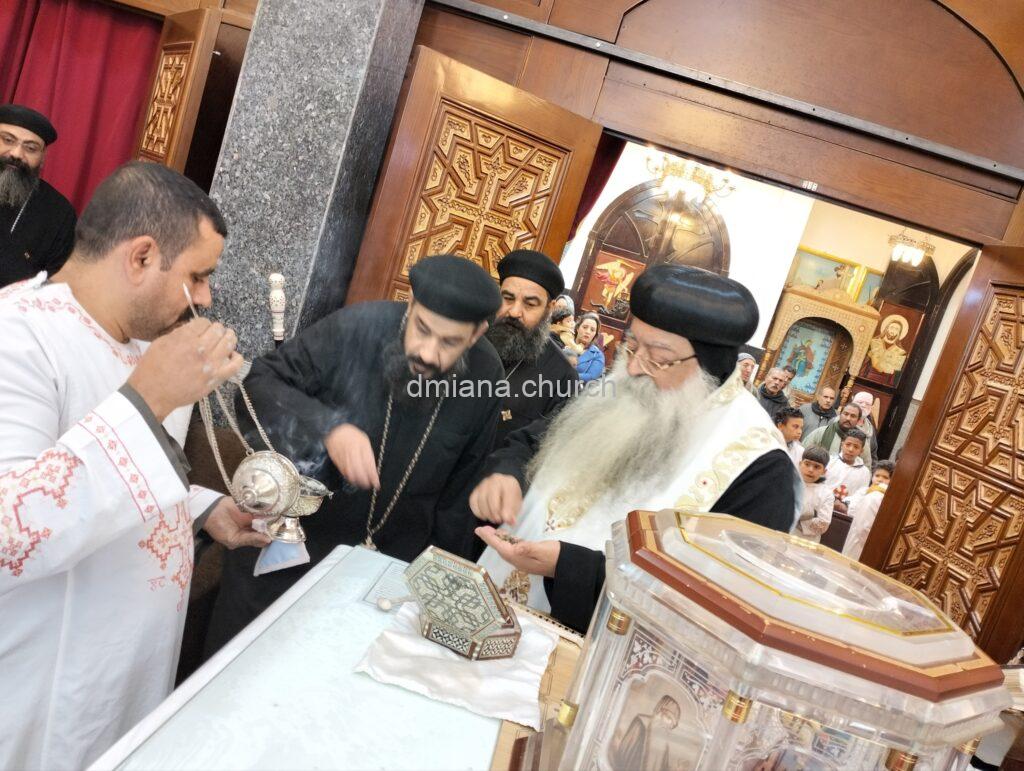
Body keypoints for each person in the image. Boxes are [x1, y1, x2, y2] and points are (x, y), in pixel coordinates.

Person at [0, 162, 269, 771]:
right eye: (198, 276)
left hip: (127, 664)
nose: (206, 298)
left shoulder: (147, 344)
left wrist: (204, 510)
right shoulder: (20, 337)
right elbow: (12, 529)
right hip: (48, 680)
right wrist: (148, 399)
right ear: (142, 256)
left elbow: (127, 472)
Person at [205, 254, 505, 656]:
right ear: (411, 305)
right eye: (422, 329)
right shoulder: (358, 326)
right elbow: (260, 385)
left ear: (476, 334)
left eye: (449, 342)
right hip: (291, 557)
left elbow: (459, 498)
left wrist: (435, 600)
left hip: (384, 583)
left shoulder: (486, 375)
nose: (428, 353)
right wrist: (328, 428)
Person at [473, 264, 798, 618]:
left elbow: (715, 603)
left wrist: (570, 568)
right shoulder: (624, 388)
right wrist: (507, 473)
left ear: (709, 367)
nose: (632, 368)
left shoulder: (759, 466)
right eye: (631, 346)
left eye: (657, 359)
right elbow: (532, 441)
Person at [487, 249, 578, 451]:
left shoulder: (562, 378)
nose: (514, 312)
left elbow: (540, 450)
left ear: (549, 308)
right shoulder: (470, 340)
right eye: (508, 298)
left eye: (529, 304)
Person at [1, 104, 76, 287]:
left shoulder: (59, 214)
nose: (17, 154)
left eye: (31, 148)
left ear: (42, 158)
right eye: (8, 140)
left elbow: (54, 288)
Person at [611, 694, 682, 771]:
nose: (668, 723)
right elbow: (625, 751)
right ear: (660, 712)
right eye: (668, 718)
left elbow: (663, 768)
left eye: (671, 723)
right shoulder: (641, 723)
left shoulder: (665, 744)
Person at [843, 460, 893, 560]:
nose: (880, 480)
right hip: (859, 538)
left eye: (885, 477)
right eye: (877, 476)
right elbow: (851, 510)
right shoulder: (865, 491)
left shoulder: (884, 497)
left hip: (867, 541)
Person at [804, 403, 872, 466]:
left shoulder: (861, 441)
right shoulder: (821, 432)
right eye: (845, 414)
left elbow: (866, 465)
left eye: (853, 416)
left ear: (858, 420)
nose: (848, 418)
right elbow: (803, 452)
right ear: (840, 414)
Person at [792, 446, 834, 543]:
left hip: (805, 541)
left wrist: (795, 518)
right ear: (800, 464)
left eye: (816, 467)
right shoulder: (789, 482)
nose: (810, 470)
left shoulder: (826, 494)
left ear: (824, 471)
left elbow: (823, 524)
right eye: (807, 464)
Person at [824, 429, 871, 508]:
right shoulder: (829, 461)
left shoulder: (864, 472)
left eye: (856, 447)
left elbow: (860, 496)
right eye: (848, 444)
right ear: (842, 445)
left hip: (845, 510)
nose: (850, 449)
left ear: (861, 451)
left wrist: (845, 504)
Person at [863, 314, 910, 386]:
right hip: (867, 378)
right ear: (887, 328)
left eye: (896, 329)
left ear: (899, 333)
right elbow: (864, 363)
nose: (893, 331)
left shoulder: (901, 352)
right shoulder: (874, 342)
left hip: (884, 383)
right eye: (891, 327)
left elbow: (895, 375)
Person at [572, 311, 605, 382]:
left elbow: (591, 377)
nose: (588, 332)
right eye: (585, 327)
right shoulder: (565, 342)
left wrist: (568, 375)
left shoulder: (598, 355)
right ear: (577, 328)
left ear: (595, 335)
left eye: (592, 330)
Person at [851, 390, 879, 462]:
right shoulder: (842, 421)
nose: (863, 406)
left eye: (867, 404)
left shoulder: (871, 429)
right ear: (852, 402)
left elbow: (873, 455)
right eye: (860, 402)